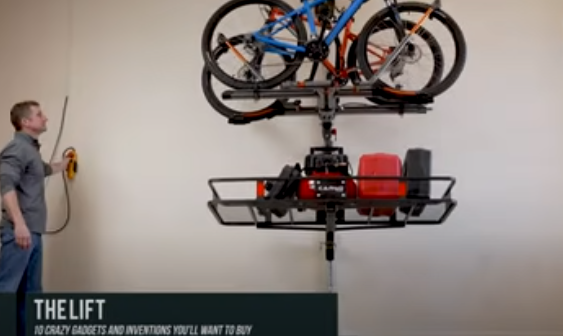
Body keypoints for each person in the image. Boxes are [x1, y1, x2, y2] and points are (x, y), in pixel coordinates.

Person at [0, 100, 70, 336]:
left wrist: (64, 165)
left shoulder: (29, 151)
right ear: (26, 122)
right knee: (7, 292)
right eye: (40, 114)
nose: (46, 118)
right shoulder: (17, 148)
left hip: (33, 233)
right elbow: (5, 183)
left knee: (31, 294)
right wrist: (19, 224)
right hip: (20, 233)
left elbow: (44, 169)